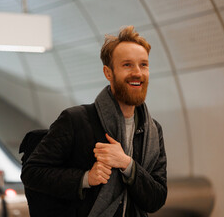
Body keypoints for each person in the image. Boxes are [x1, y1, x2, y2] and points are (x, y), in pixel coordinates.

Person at [21, 26, 167, 217]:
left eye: (143, 65)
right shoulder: (76, 120)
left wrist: (127, 164)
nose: (137, 72)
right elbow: (32, 173)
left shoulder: (153, 131)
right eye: (127, 65)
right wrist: (86, 178)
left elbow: (156, 198)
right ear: (108, 73)